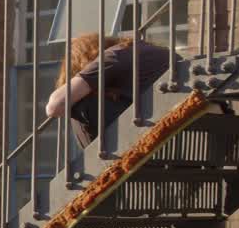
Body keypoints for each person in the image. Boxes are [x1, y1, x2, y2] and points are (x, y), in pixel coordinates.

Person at [44, 33, 172, 147]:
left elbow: (55, 106)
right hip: (174, 128)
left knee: (76, 104)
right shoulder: (141, 50)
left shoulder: (113, 55)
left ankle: (96, 154)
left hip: (152, 136)